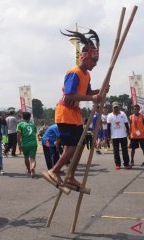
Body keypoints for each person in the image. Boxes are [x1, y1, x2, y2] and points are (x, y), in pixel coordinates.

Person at [47, 29, 103, 187]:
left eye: (96, 61)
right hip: (65, 113)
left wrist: (98, 91)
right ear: (84, 58)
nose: (95, 64)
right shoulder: (74, 73)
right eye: (93, 61)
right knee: (71, 146)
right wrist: (92, 98)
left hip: (75, 114)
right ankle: (55, 170)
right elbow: (70, 95)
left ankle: (70, 176)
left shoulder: (87, 75)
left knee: (79, 145)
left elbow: (85, 92)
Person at [107, 102, 130, 169]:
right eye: (114, 107)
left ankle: (126, 164)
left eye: (117, 107)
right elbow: (108, 127)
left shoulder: (123, 114)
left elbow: (126, 124)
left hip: (123, 135)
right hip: (114, 137)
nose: (116, 108)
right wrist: (108, 136)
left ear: (119, 107)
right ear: (112, 108)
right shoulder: (110, 116)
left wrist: (128, 133)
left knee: (125, 150)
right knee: (116, 151)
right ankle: (118, 164)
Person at [17, 112, 38, 178]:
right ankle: (33, 168)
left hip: (25, 143)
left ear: (23, 117)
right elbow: (34, 133)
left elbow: (18, 135)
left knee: (26, 157)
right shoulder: (33, 125)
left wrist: (19, 144)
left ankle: (29, 170)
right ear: (30, 117)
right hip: (33, 143)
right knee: (32, 159)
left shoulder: (20, 124)